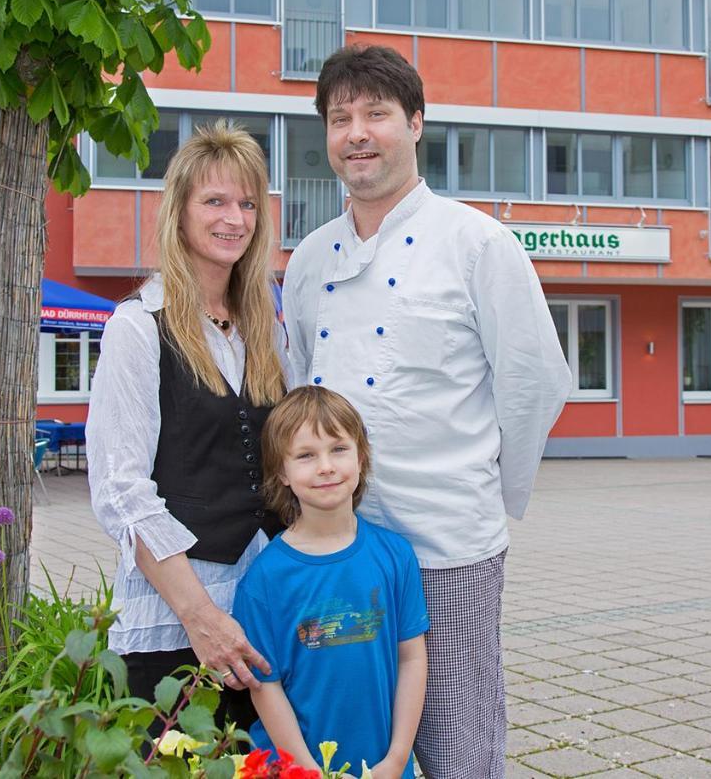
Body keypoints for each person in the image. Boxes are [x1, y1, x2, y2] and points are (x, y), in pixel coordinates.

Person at [280, 44, 571, 778]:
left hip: (445, 542)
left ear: (416, 122)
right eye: (340, 117)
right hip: (335, 545)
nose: (357, 132)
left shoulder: (478, 243)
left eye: (376, 113)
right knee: (350, 734)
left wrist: (484, 491)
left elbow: (534, 381)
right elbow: (297, 388)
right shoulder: (311, 257)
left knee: (454, 735)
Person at [87, 121, 287, 731]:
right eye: (215, 201)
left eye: (248, 203)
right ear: (179, 213)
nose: (236, 218)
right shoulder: (138, 326)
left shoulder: (266, 328)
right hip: (180, 615)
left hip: (263, 597)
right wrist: (199, 616)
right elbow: (121, 491)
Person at [231, 386, 428, 778]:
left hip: (383, 766)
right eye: (306, 455)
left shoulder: (395, 556)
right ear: (282, 473)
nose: (326, 466)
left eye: (338, 449)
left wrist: (398, 757)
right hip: (295, 768)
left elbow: (412, 658)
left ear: (361, 457)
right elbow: (264, 686)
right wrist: (308, 771)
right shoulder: (265, 578)